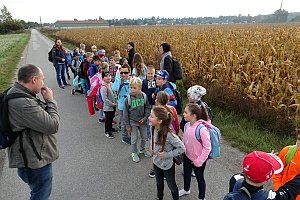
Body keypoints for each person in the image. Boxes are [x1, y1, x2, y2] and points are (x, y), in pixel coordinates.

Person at [7, 64, 60, 200]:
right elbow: (52, 125)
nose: (43, 82)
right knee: (40, 193)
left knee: (38, 191)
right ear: (34, 80)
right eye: (42, 79)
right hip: (34, 161)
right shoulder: (23, 103)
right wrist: (50, 101)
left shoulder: (16, 93)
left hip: (30, 156)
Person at [224, 151, 300, 200]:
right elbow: (292, 188)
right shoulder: (271, 198)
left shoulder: (235, 179)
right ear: (267, 179)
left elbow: (250, 170)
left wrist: (263, 161)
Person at [150, 106, 185, 200]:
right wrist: (151, 146)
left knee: (172, 186)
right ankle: (159, 198)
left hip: (167, 166)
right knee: (159, 183)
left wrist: (167, 155)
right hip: (156, 162)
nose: (149, 118)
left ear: (159, 121)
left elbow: (182, 148)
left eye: (152, 116)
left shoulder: (169, 135)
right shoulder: (153, 127)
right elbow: (153, 139)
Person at [178, 103, 211, 200]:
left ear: (193, 115)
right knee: (186, 174)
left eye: (186, 112)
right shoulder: (187, 125)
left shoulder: (202, 129)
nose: (183, 114)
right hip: (187, 157)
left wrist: (199, 161)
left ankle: (201, 197)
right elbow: (185, 139)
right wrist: (182, 150)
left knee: (200, 178)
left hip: (198, 161)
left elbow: (207, 148)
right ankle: (186, 189)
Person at [148, 91, 179, 178]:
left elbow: (152, 127)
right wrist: (175, 133)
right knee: (167, 151)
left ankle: (154, 169)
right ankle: (165, 171)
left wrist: (151, 142)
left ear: (157, 100)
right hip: (170, 135)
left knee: (156, 152)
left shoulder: (154, 111)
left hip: (159, 135)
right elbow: (176, 123)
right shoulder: (172, 109)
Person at [123, 77, 151, 162]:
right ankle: (134, 152)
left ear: (140, 87)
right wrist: (127, 125)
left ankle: (142, 149)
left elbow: (147, 107)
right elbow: (125, 113)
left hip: (142, 121)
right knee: (134, 139)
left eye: (135, 88)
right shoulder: (127, 99)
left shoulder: (144, 96)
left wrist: (145, 118)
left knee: (144, 137)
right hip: (132, 122)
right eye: (131, 87)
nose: (132, 89)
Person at [273, 129, 300, 200]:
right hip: (282, 194)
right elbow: (278, 172)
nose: (299, 142)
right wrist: (279, 189)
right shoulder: (288, 151)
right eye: (298, 139)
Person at [112, 64, 131, 145]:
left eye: (125, 72)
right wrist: (117, 78)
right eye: (121, 72)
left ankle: (130, 134)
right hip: (122, 105)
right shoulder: (119, 81)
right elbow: (114, 88)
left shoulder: (132, 80)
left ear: (129, 72)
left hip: (131, 105)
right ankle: (124, 137)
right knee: (123, 122)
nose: (123, 74)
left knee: (130, 121)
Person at [100, 71, 117, 139]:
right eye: (106, 76)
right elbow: (105, 99)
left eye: (110, 76)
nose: (108, 77)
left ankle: (110, 128)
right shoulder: (103, 87)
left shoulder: (112, 84)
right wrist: (112, 104)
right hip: (108, 107)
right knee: (108, 119)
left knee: (112, 117)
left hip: (113, 106)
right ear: (103, 78)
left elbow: (115, 92)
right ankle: (107, 131)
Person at [142, 65, 157, 139]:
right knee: (148, 118)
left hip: (155, 103)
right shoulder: (144, 82)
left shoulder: (156, 81)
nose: (150, 75)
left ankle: (154, 132)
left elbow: (157, 89)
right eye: (149, 73)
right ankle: (148, 133)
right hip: (147, 103)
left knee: (155, 118)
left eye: (152, 73)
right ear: (146, 73)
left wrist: (155, 94)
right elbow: (143, 92)